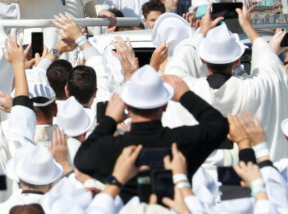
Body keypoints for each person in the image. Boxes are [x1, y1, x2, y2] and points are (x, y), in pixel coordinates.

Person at [74, 65, 228, 201]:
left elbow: (81, 159)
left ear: (126, 105)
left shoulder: (112, 147)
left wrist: (110, 119)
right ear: (165, 105)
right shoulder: (182, 141)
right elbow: (218, 125)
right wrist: (185, 95)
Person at [164, 7, 288, 158]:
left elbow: (176, 65)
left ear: (202, 59)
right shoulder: (255, 89)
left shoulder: (186, 90)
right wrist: (248, 27)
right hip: (246, 172)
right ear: (237, 60)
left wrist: (202, 32)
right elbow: (272, 69)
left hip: (199, 173)